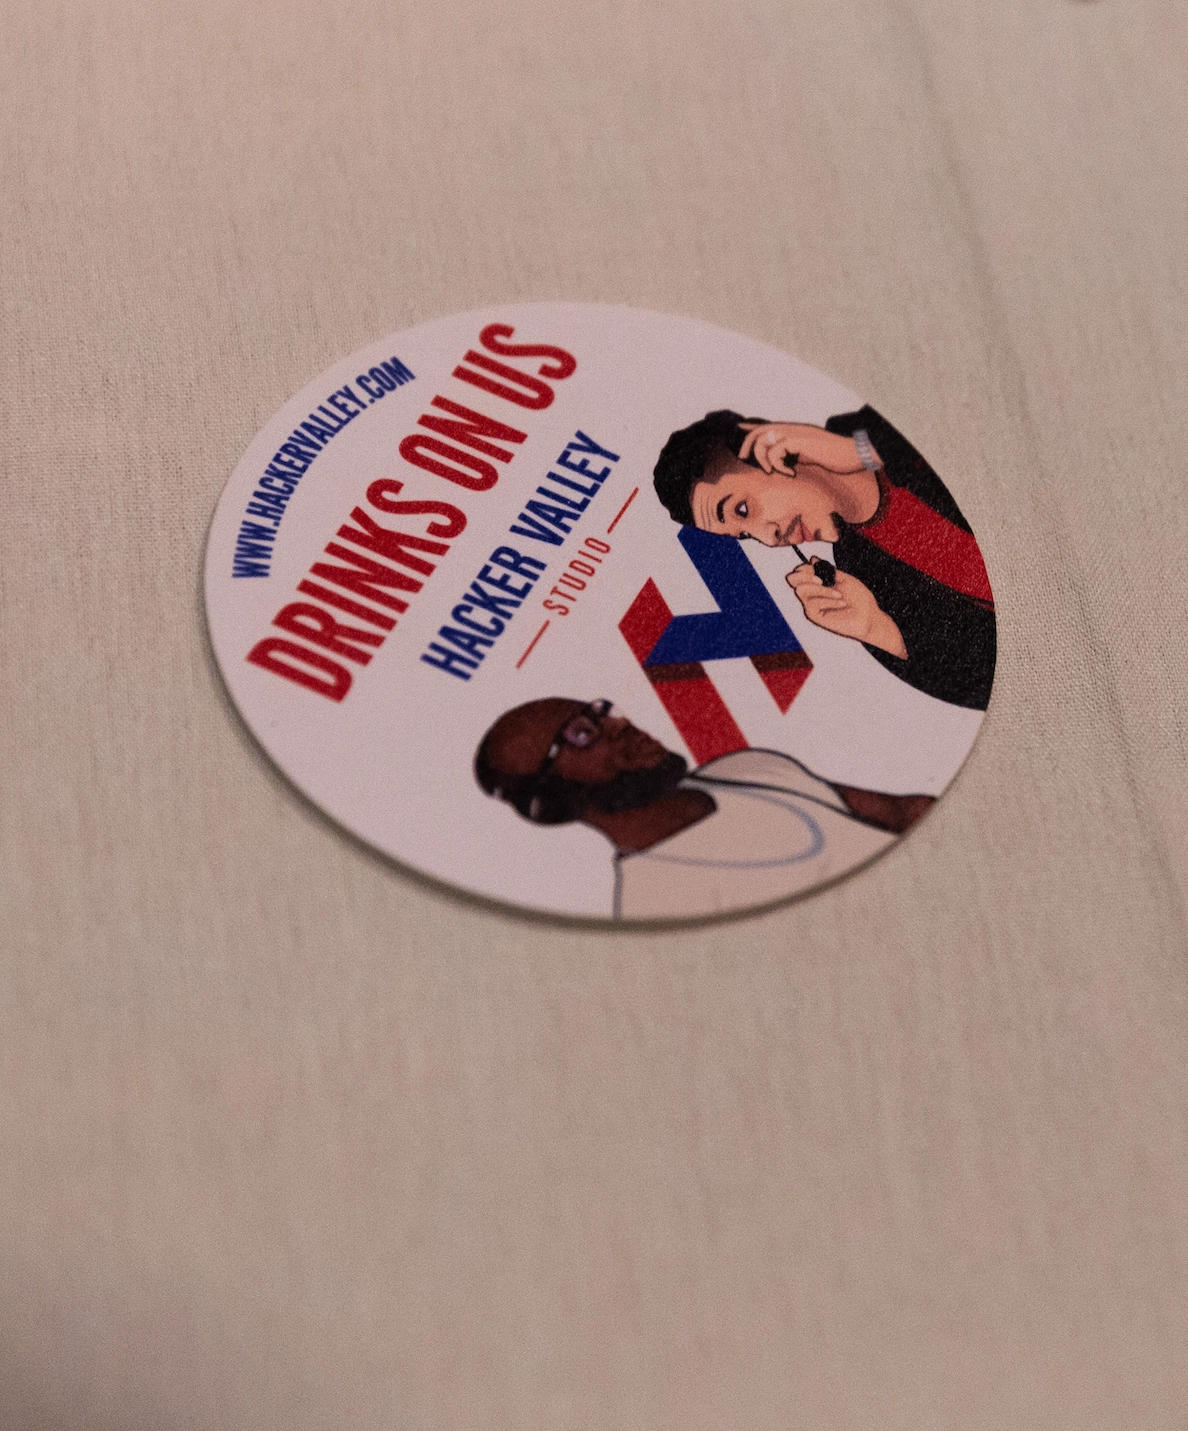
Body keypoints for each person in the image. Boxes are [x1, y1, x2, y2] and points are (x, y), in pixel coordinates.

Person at [652, 406, 996, 710]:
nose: (768, 537)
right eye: (745, 535)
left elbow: (983, 420)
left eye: (742, 509)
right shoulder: (859, 581)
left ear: (769, 445)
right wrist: (878, 629)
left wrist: (861, 449)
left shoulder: (878, 429)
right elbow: (987, 689)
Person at [475, 697, 934, 920]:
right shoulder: (659, 910)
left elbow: (902, 812)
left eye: (600, 713)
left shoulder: (746, 768)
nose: (620, 723)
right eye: (583, 733)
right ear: (552, 801)